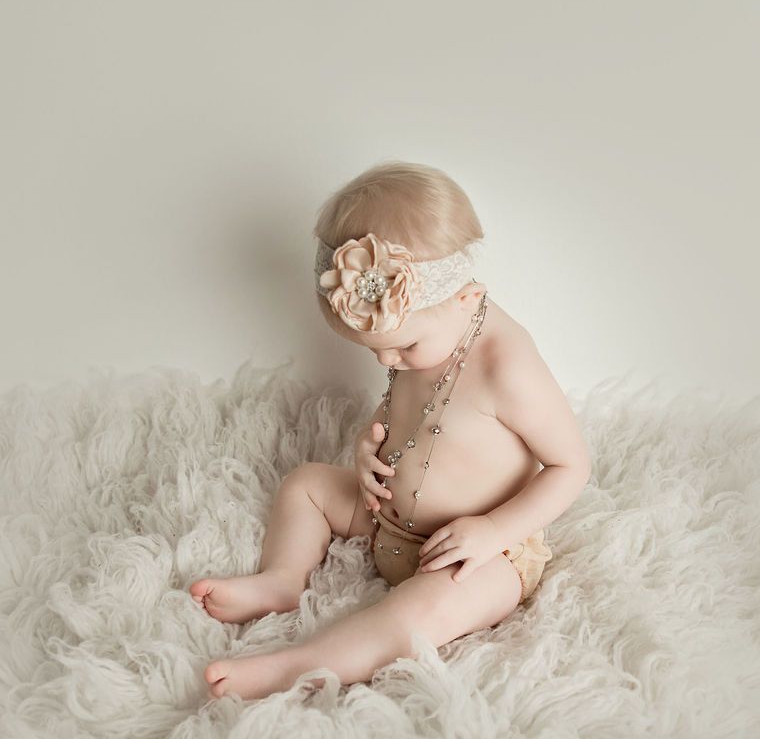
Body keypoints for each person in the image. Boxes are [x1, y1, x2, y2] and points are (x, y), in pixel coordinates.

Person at [190, 160, 592, 700]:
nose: (388, 359)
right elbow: (403, 411)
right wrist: (368, 447)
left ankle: (301, 664)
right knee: (306, 484)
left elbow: (571, 466)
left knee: (418, 614)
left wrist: (494, 531)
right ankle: (283, 580)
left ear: (465, 299)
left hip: (477, 553)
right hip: (387, 518)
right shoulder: (421, 341)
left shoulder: (507, 368)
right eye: (375, 349)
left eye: (403, 347)